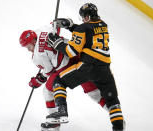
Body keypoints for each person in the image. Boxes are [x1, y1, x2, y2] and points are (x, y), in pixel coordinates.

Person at [46, 3, 125, 131]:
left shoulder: (83, 28)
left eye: (83, 17)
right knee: (112, 100)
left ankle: (62, 112)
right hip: (105, 69)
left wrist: (57, 43)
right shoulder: (103, 25)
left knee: (58, 81)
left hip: (88, 67)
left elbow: (72, 51)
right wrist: (70, 26)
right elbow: (88, 32)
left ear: (87, 17)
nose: (82, 19)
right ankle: (119, 127)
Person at [19, 25, 106, 131]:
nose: (28, 50)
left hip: (65, 66)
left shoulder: (37, 56)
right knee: (94, 93)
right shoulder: (43, 30)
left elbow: (49, 71)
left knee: (48, 90)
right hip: (76, 56)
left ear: (33, 42)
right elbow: (56, 26)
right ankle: (115, 114)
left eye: (28, 47)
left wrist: (37, 81)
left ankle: (55, 122)